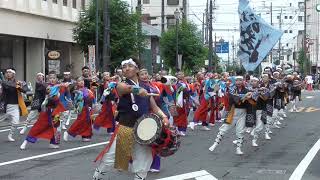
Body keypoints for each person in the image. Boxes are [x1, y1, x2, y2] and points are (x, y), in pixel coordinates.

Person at [92, 58, 169, 180]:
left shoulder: (146, 86)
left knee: (144, 160)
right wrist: (137, 90)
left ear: (137, 69)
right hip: (126, 127)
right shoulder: (121, 84)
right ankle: (97, 177)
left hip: (143, 130)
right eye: (124, 67)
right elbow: (124, 88)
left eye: (130, 66)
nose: (126, 68)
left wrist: (164, 117)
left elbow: (154, 107)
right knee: (112, 158)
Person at [20, 71, 71, 150]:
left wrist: (67, 87)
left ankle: (53, 143)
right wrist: (60, 85)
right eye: (50, 78)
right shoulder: (46, 86)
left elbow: (66, 93)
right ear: (47, 79)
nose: (52, 80)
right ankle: (26, 141)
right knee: (39, 126)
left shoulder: (60, 86)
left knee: (57, 127)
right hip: (46, 110)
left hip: (55, 111)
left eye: (54, 78)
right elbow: (49, 90)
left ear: (56, 79)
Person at [209, 76, 251, 155]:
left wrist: (250, 96)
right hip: (233, 112)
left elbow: (252, 100)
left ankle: (238, 148)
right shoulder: (232, 89)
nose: (238, 82)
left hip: (243, 112)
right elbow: (236, 100)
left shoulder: (247, 90)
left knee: (240, 131)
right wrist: (245, 96)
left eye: (240, 80)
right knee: (224, 128)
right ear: (235, 81)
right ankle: (215, 144)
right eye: (237, 80)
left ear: (243, 81)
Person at [63, 77, 96, 142]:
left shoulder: (86, 89)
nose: (81, 82)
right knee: (80, 121)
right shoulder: (77, 90)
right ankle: (69, 132)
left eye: (82, 81)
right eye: (79, 81)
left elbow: (93, 92)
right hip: (82, 108)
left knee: (88, 122)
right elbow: (79, 99)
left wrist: (94, 82)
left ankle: (86, 135)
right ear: (77, 83)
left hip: (88, 107)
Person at [1, 68, 29, 142]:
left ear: (13, 74)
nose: (8, 74)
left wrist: (20, 86)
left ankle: (10, 135)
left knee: (16, 122)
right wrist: (17, 85)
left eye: (9, 72)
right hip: (5, 106)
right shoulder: (4, 83)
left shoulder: (18, 82)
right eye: (7, 72)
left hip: (15, 106)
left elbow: (26, 90)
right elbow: (8, 85)